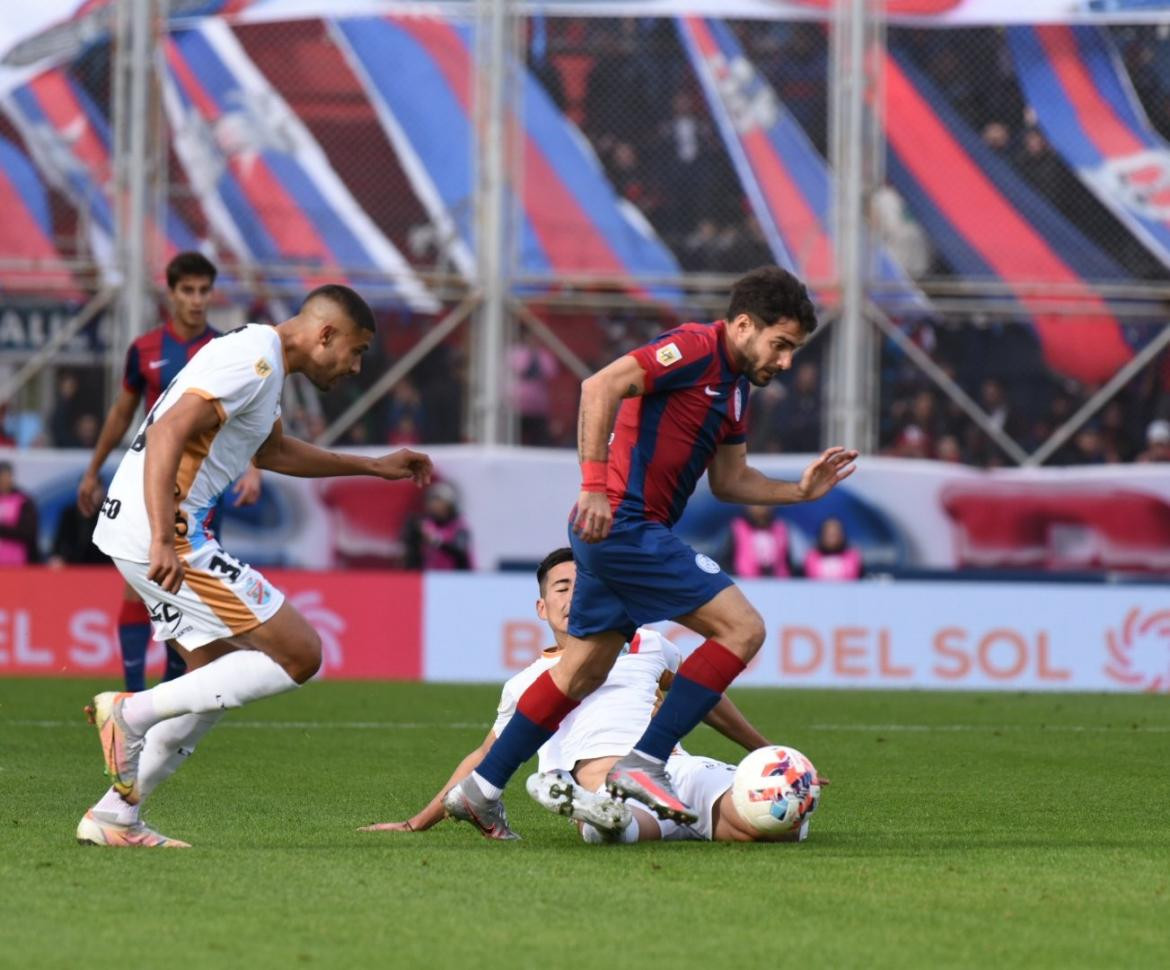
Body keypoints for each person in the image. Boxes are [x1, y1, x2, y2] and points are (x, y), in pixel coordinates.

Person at [442, 266, 857, 838]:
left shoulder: (735, 391)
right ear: (742, 325)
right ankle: (644, 763)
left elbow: (731, 480)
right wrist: (592, 485)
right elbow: (599, 386)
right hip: (622, 523)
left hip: (616, 532)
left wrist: (799, 492)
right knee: (742, 629)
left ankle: (482, 787)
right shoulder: (693, 347)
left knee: (581, 670)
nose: (786, 361)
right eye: (780, 344)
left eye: (793, 350)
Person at [77, 284, 433, 848]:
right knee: (300, 653)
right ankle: (130, 715)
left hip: (148, 530)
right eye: (356, 350)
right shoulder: (255, 359)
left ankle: (114, 816)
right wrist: (166, 537)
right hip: (167, 532)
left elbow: (271, 453)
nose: (356, 366)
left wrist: (372, 467)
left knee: (209, 688)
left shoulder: (258, 359)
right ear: (325, 335)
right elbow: (169, 430)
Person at [361, 549, 810, 844]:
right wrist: (418, 821)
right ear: (542, 609)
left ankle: (609, 824)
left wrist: (764, 750)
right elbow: (485, 757)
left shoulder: (648, 644)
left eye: (584, 585)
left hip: (679, 770)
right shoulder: (529, 682)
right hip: (605, 778)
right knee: (630, 823)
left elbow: (704, 697)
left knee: (776, 824)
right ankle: (603, 816)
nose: (575, 595)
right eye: (562, 588)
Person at [77, 253, 264, 692]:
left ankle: (162, 694)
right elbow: (121, 414)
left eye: (204, 291)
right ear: (172, 293)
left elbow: (245, 417)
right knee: (139, 584)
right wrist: (92, 470)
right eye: (188, 291)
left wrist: (252, 467)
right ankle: (132, 694)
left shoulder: (226, 350)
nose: (197, 301)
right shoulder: (144, 350)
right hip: (147, 477)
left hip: (202, 488)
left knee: (183, 592)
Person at [401, 481, 474, 571]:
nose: (433, 505)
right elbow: (410, 552)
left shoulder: (460, 526)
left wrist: (437, 541)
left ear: (449, 505)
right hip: (430, 577)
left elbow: (460, 550)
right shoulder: (425, 523)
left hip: (457, 578)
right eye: (431, 500)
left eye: (438, 501)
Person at [729, 504, 793, 578]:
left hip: (779, 582)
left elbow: (789, 562)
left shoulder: (782, 528)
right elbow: (725, 560)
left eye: (764, 503)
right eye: (755, 504)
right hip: (745, 581)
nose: (760, 508)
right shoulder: (737, 528)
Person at [0, 460, 39, 565]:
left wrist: (3, 529)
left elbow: (28, 531)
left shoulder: (24, 500)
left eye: (7, 477)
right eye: (2, 477)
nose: (5, 481)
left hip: (17, 561)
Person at [804, 517, 862, 581]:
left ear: (842, 535)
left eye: (835, 533)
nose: (832, 537)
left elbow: (854, 577)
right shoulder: (812, 556)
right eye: (829, 534)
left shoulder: (852, 555)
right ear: (822, 534)